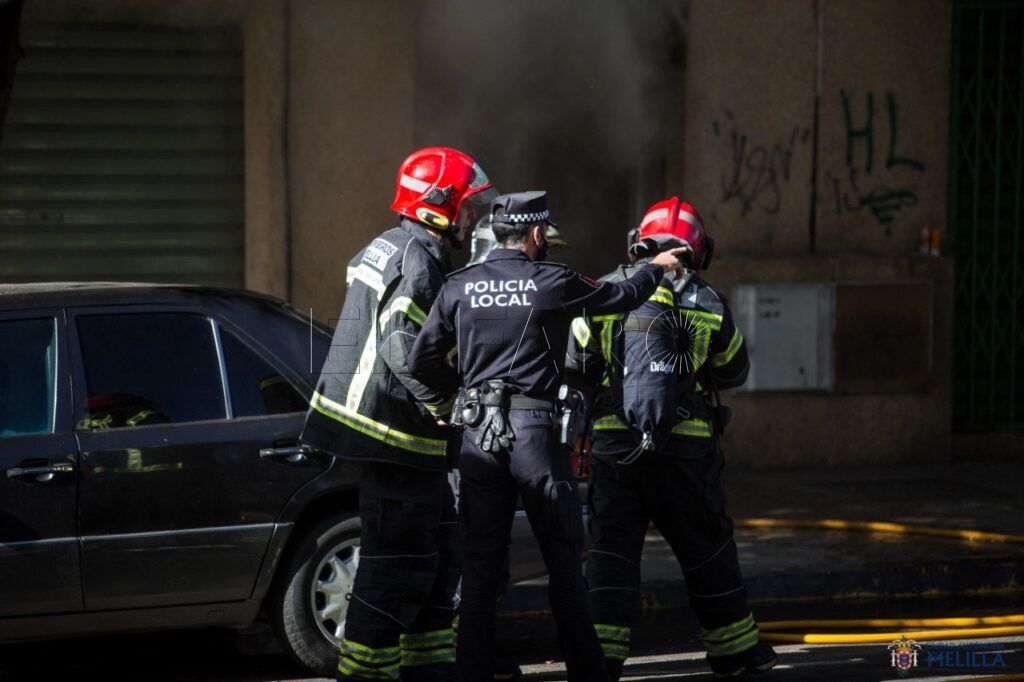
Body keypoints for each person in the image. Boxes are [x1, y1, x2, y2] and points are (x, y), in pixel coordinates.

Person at [407, 191, 688, 681]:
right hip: (537, 437)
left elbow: (420, 362)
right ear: (537, 234)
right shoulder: (552, 281)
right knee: (562, 561)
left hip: (479, 440)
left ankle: (471, 672)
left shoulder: (458, 285)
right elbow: (621, 296)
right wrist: (658, 267)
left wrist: (463, 398)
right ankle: (587, 673)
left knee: (479, 567)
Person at [301, 147, 496, 681]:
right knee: (396, 569)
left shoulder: (391, 245)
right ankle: (366, 675)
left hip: (396, 437)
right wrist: (448, 402)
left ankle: (430, 671)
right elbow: (404, 348)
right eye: (466, 207)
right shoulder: (419, 261)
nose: (471, 218)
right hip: (393, 435)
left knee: (433, 562)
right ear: (438, 206)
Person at [566, 198, 777, 680]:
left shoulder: (605, 291)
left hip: (617, 452)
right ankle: (736, 654)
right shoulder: (708, 301)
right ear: (698, 251)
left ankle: (602, 662)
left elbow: (580, 365)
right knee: (707, 550)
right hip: (686, 453)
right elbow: (734, 369)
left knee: (610, 557)